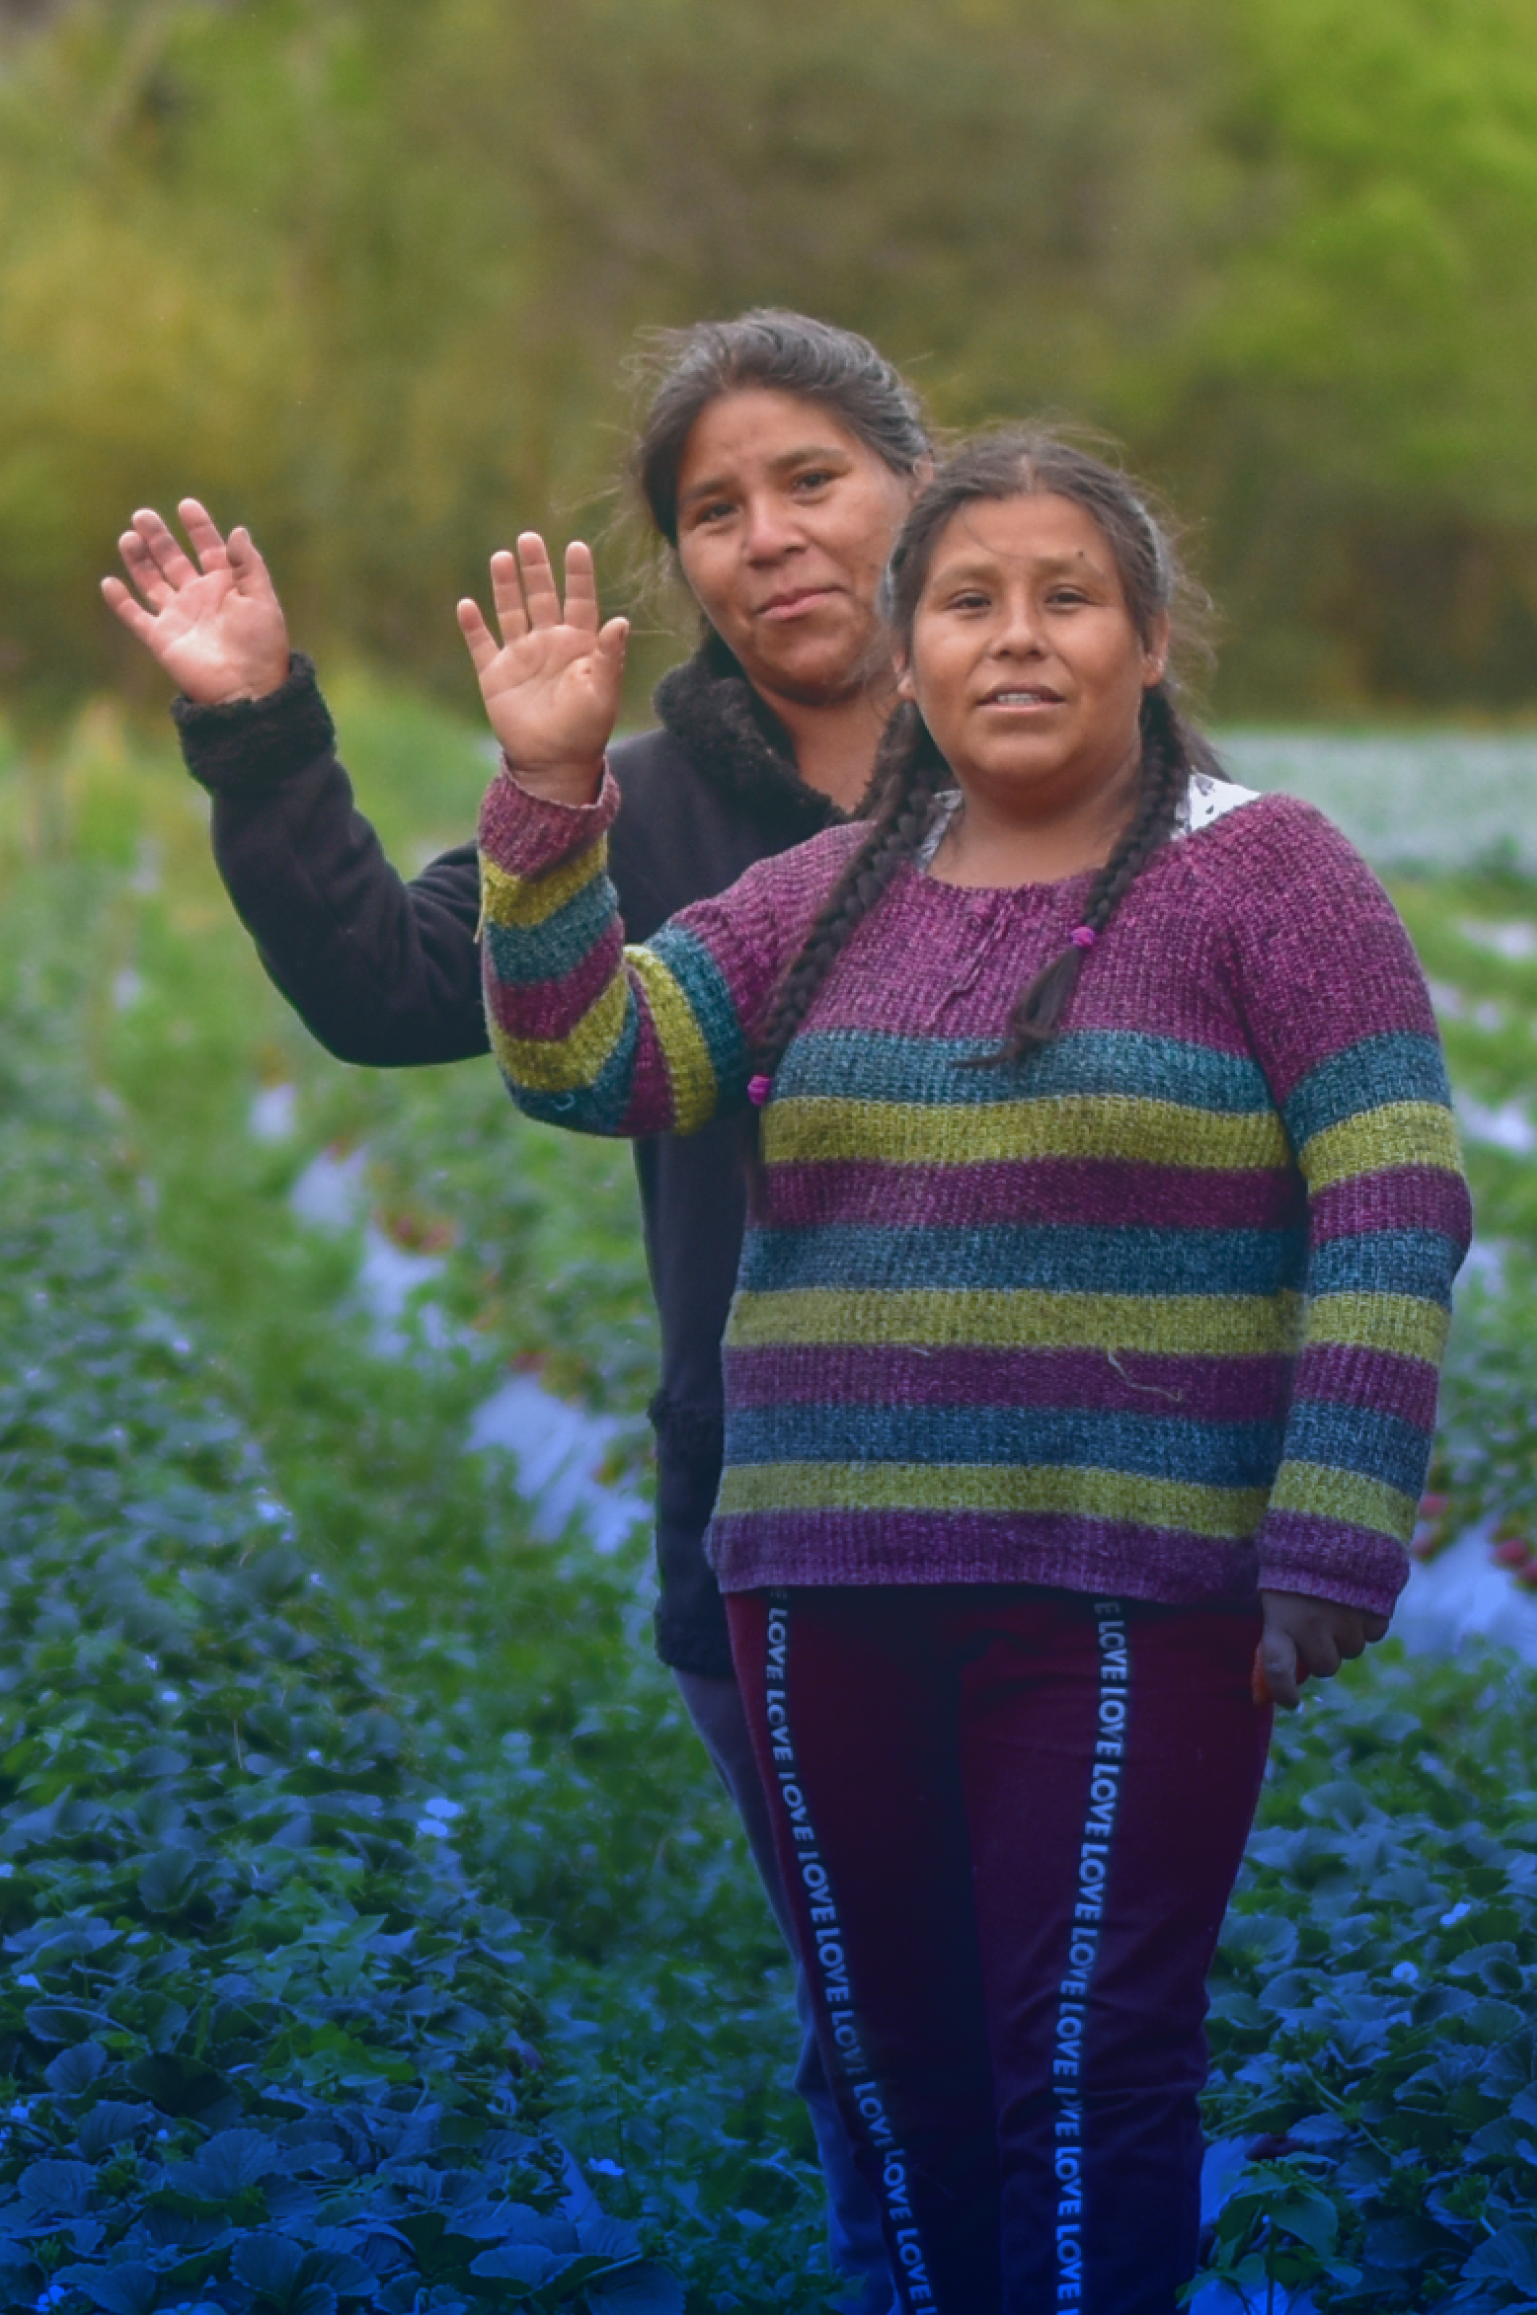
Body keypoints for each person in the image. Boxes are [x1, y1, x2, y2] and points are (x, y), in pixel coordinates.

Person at [471, 429, 1456, 2315]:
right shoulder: (828, 893)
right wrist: (545, 792)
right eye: (969, 601)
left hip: (1127, 1594)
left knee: (1087, 2075)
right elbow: (580, 1057)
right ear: (909, 652)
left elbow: (1392, 1198)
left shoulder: (1268, 876)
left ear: (1152, 642)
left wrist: (1333, 1528)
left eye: (1066, 597)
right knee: (898, 2077)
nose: (1018, 640)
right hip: (819, 1591)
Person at [85, 311, 927, 2287]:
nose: (772, 537)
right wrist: (260, 722)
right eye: (715, 511)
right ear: (680, 569)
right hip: (780, 1507)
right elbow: (390, 989)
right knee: (882, 2006)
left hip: (1078, 1491)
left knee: (1080, 2017)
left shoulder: (1070, 754)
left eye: (813, 480)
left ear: (916, 486)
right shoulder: (626, 802)